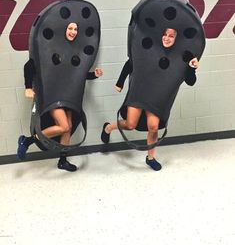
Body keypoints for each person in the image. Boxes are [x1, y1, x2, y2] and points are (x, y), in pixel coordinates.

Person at [101, 28, 199, 171]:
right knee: (130, 124)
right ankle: (108, 127)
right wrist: (120, 82)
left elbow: (191, 82)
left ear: (176, 38)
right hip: (139, 92)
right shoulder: (150, 48)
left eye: (171, 36)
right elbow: (130, 63)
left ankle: (150, 158)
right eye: (164, 35)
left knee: (153, 127)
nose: (166, 38)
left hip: (156, 97)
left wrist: (192, 68)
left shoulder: (182, 56)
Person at [17, 22, 103, 172]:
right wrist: (28, 88)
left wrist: (93, 75)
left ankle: (62, 161)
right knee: (64, 126)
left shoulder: (75, 50)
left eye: (76, 29)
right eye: (70, 28)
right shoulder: (51, 48)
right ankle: (28, 140)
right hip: (52, 95)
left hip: (69, 95)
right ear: (64, 29)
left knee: (67, 128)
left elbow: (78, 74)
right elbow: (29, 65)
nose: (73, 31)